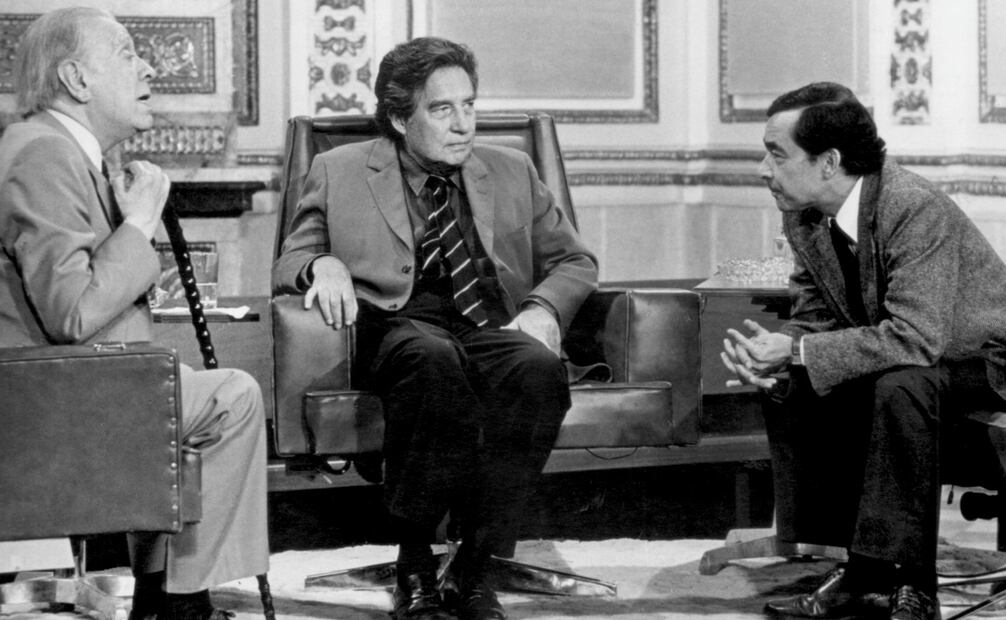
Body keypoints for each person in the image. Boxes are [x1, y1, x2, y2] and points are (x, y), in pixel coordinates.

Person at [274, 37, 597, 620]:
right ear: (401, 119)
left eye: (469, 105)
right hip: (395, 324)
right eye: (443, 109)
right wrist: (322, 263)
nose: (463, 124)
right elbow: (290, 258)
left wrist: (544, 309)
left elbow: (575, 260)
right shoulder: (340, 169)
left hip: (488, 325)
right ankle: (416, 561)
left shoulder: (513, 169)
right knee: (431, 360)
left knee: (536, 368)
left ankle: (474, 565)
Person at [0, 8, 269, 620]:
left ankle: (162, 595)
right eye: (125, 54)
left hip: (78, 385)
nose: (147, 68)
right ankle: (178, 602)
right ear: (76, 79)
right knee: (232, 397)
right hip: (49, 404)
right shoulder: (43, 156)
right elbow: (73, 312)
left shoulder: (56, 150)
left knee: (183, 391)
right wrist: (141, 222)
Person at [721, 81, 1006, 620]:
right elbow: (814, 319)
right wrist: (774, 355)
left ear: (829, 162)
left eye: (776, 154)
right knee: (798, 380)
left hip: (986, 362)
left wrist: (798, 350)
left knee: (902, 383)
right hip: (918, 361)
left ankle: (913, 585)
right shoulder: (804, 213)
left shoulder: (912, 206)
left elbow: (917, 337)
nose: (763, 169)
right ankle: (855, 568)